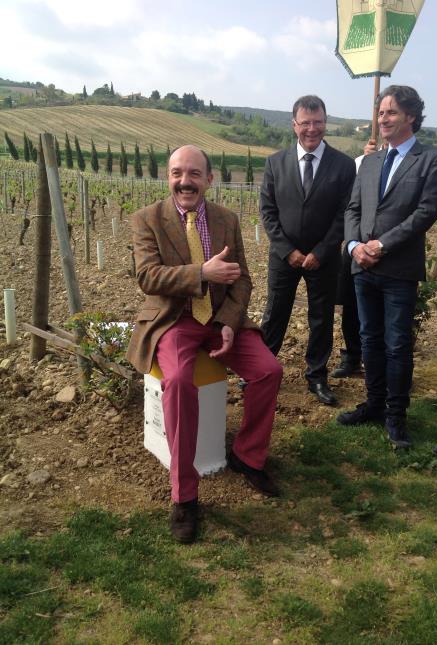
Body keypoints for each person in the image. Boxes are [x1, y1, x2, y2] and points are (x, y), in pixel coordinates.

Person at [126, 145, 283, 543]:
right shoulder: (147, 220)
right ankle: (185, 495)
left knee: (269, 371)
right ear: (168, 177)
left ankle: (247, 457)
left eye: (194, 173)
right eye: (177, 173)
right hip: (174, 321)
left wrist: (230, 322)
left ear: (209, 179)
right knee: (178, 382)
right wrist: (202, 272)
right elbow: (148, 277)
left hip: (219, 320)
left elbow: (243, 279)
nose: (185, 181)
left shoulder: (227, 220)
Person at [338, 85, 437, 448]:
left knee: (397, 344)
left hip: (398, 269)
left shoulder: (433, 159)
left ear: (411, 117)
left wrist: (381, 245)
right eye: (380, 112)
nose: (383, 119)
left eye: (391, 112)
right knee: (369, 338)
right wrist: (355, 246)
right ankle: (374, 403)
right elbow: (353, 208)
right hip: (362, 268)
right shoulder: (370, 161)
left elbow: (425, 213)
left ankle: (395, 416)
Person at [260, 95, 356, 405]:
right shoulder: (275, 163)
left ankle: (317, 377)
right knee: (275, 314)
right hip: (283, 257)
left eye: (318, 122)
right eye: (305, 123)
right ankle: (261, 373)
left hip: (323, 259)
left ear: (325, 123)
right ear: (294, 125)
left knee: (321, 318)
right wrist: (287, 250)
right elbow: (268, 211)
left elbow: (346, 212)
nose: (311, 129)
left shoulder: (343, 165)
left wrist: (322, 251)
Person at [332, 138, 381, 379]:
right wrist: (366, 159)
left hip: (383, 247)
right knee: (350, 306)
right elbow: (350, 206)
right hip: (353, 246)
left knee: (380, 310)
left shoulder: (406, 160)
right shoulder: (359, 163)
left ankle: (381, 366)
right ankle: (351, 357)